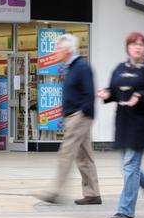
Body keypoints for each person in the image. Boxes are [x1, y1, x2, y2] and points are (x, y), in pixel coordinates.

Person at [98, 32, 144, 218]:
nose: (138, 47)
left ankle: (126, 210)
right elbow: (114, 90)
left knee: (130, 166)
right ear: (127, 47)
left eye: (141, 44)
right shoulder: (120, 68)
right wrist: (107, 94)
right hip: (123, 123)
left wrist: (140, 96)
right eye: (134, 44)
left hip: (142, 124)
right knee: (131, 168)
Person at [37, 34, 102, 205]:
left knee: (66, 152)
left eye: (59, 48)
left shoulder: (81, 66)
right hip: (75, 115)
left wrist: (81, 113)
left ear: (67, 50)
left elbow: (89, 93)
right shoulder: (70, 67)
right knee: (84, 156)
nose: (56, 51)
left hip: (79, 116)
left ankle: (55, 191)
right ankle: (93, 193)